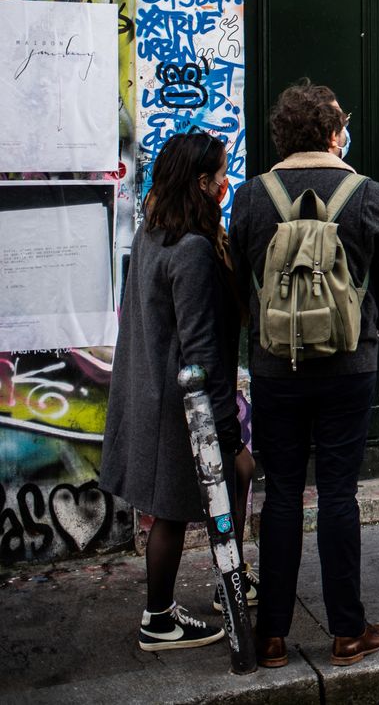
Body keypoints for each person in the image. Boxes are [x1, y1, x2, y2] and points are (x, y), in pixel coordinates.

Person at [229, 80, 379, 669]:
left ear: (282, 134)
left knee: (279, 494)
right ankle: (347, 632)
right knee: (338, 493)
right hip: (350, 365)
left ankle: (271, 636)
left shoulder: (252, 197)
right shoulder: (368, 193)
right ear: (333, 133)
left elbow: (239, 281)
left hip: (276, 368)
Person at [102, 130, 254, 651]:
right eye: (219, 176)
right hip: (180, 410)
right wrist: (227, 432)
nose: (226, 183)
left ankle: (225, 584)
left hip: (151, 396)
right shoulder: (190, 250)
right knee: (177, 510)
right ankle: (161, 618)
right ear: (199, 183)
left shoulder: (152, 234)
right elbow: (201, 350)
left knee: (194, 503)